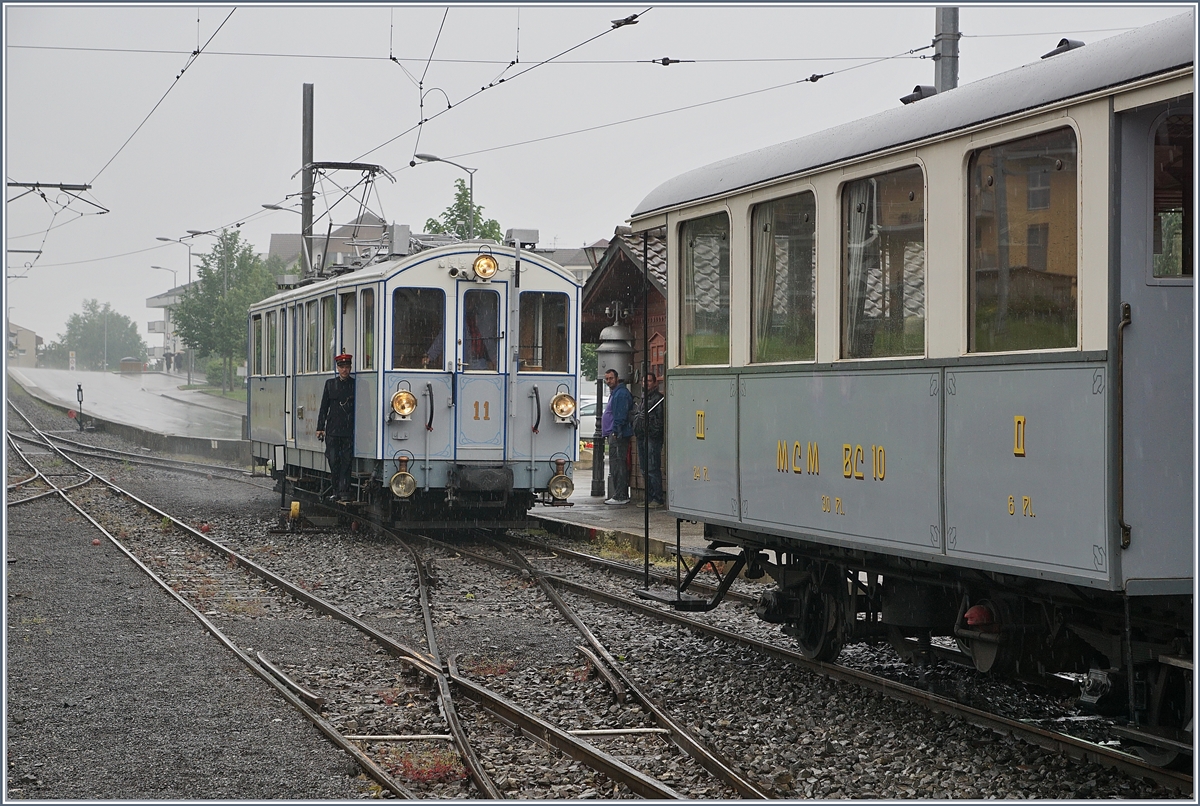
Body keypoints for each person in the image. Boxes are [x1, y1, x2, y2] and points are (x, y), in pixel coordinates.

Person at [316, 353, 356, 501]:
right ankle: (335, 490)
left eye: (347, 367)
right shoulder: (330, 384)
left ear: (350, 367)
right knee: (333, 460)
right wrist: (320, 427)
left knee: (346, 461)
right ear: (337, 368)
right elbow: (323, 407)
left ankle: (344, 491)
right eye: (341, 367)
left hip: (348, 429)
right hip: (332, 429)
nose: (344, 370)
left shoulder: (355, 385)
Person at [601, 368, 633, 505]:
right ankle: (618, 494)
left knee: (618, 465)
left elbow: (620, 415)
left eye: (611, 378)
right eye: (606, 379)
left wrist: (616, 431)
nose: (608, 381)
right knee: (615, 464)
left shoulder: (620, 394)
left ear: (617, 378)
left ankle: (620, 495)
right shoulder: (615, 393)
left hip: (617, 435)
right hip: (613, 433)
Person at [635, 372, 665, 508]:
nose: (645, 384)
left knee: (652, 468)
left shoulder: (658, 399)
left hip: (652, 437)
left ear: (654, 383)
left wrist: (652, 431)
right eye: (643, 381)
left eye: (648, 381)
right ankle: (649, 497)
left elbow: (660, 420)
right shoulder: (643, 398)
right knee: (644, 469)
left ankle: (657, 498)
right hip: (642, 436)